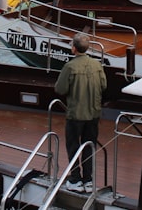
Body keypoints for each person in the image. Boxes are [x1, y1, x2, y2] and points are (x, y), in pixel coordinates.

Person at [54, 32, 106, 193]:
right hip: (94, 114)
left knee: (73, 146)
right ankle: (88, 180)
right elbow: (103, 85)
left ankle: (75, 179)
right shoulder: (97, 65)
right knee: (89, 146)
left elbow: (60, 89)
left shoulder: (70, 66)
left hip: (76, 114)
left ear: (74, 48)